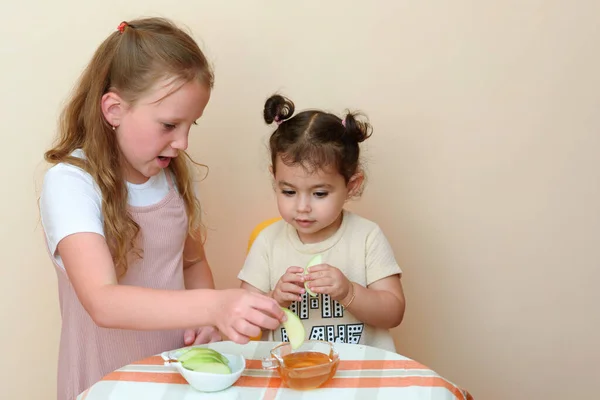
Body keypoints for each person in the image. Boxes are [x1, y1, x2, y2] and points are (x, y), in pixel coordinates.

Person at [39, 18, 284, 399]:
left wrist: (208, 324)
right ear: (114, 109)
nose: (183, 142)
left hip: (175, 383)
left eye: (190, 125)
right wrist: (213, 305)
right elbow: (103, 301)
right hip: (105, 385)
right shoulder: (71, 182)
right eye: (169, 124)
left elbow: (191, 262)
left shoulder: (173, 177)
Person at [238, 94, 406, 352]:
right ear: (275, 180)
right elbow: (242, 317)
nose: (302, 207)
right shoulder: (268, 242)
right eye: (289, 192)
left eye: (319, 194)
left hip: (360, 377)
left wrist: (349, 292)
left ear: (351, 185)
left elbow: (393, 313)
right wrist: (275, 299)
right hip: (290, 375)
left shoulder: (366, 237)